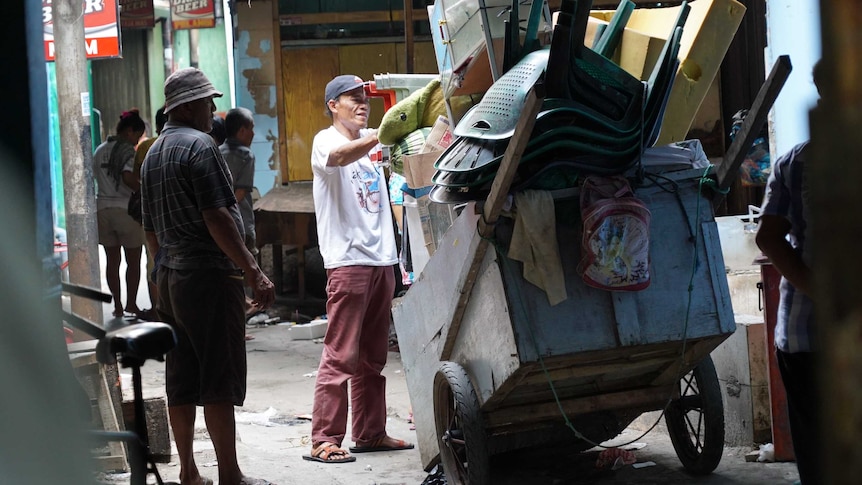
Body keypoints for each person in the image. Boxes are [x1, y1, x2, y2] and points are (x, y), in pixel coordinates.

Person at [141, 67, 276, 485]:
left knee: (180, 375)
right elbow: (217, 215)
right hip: (208, 276)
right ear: (187, 106)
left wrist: (159, 273)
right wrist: (253, 271)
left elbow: (149, 230)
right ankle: (230, 475)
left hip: (170, 276)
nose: (213, 109)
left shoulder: (152, 154)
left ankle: (187, 472)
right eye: (207, 101)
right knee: (218, 376)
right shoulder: (201, 146)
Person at [303, 74, 413, 464]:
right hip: (348, 262)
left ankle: (369, 433)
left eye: (364, 97)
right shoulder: (326, 141)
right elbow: (338, 158)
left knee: (373, 356)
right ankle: (324, 439)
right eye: (351, 98)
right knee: (341, 354)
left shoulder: (371, 150)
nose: (361, 103)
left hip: (381, 260)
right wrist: (379, 136)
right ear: (333, 105)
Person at [754, 63, 820, 485]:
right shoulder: (796, 162)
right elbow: (769, 238)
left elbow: (770, 238)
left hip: (803, 334)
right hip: (810, 338)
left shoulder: (795, 161)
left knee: (819, 455)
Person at [93, 108, 147, 319]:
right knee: (133, 261)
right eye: (138, 135)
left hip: (103, 210)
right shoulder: (127, 152)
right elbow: (127, 177)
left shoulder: (99, 150)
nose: (137, 141)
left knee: (112, 261)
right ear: (130, 131)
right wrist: (142, 189)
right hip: (125, 211)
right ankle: (131, 304)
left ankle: (117, 306)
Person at [220, 107, 260, 337]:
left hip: (220, 222)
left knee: (227, 272)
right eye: (251, 128)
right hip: (241, 221)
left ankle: (229, 324)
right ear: (243, 130)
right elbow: (241, 193)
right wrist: (229, 211)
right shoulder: (246, 155)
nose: (254, 133)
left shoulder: (216, 152)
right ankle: (239, 325)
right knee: (244, 270)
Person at [133, 105, 167, 319]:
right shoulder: (188, 143)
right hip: (178, 216)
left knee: (153, 262)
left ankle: (157, 310)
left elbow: (138, 179)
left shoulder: (145, 147)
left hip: (151, 214)